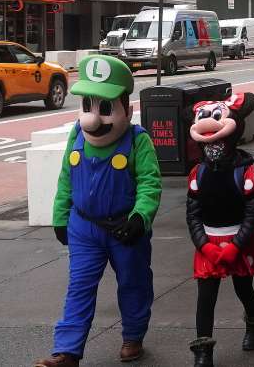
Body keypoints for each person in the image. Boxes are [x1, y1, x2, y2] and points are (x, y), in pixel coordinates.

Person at [36, 56, 161, 367]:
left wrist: (139, 217)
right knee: (79, 286)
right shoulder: (76, 136)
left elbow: (150, 184)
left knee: (133, 283)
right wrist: (60, 216)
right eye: (88, 106)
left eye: (105, 109)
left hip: (124, 229)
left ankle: (133, 336)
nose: (93, 119)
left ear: (126, 110)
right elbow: (66, 177)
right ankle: (67, 352)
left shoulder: (137, 140)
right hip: (84, 227)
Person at [186, 92, 254, 366]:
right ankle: (203, 351)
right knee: (206, 297)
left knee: (244, 288)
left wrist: (237, 245)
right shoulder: (198, 174)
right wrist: (203, 244)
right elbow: (192, 212)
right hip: (208, 241)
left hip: (238, 240)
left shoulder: (246, 172)